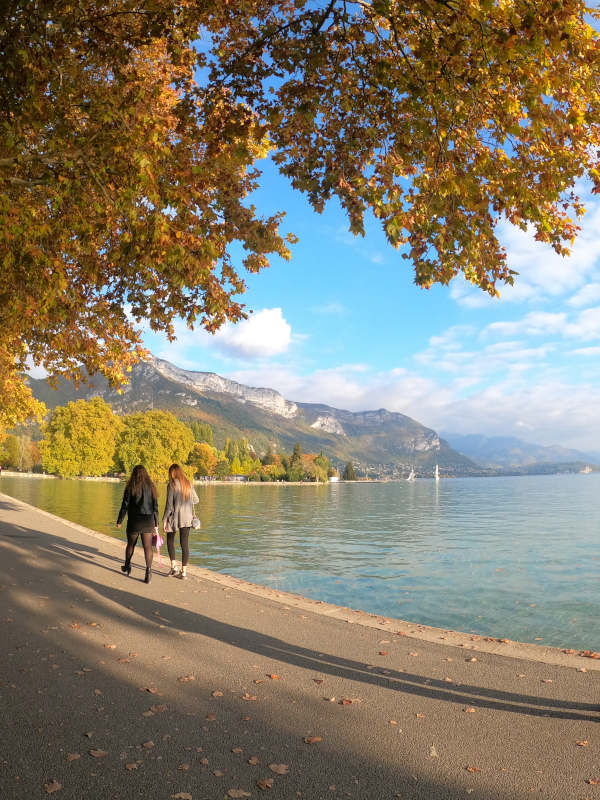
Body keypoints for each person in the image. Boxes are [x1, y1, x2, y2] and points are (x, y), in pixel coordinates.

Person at [116, 465, 159, 584]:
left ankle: (127, 565)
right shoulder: (152, 487)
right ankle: (148, 572)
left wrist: (120, 520)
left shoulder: (130, 487)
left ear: (134, 474)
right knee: (148, 547)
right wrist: (156, 523)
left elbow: (124, 505)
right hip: (148, 520)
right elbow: (155, 507)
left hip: (134, 521)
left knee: (131, 545)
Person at [162, 463, 199, 580]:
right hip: (187, 518)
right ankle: (184, 573)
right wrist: (186, 501)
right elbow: (196, 500)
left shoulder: (172, 485)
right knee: (185, 544)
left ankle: (174, 567)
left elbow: (169, 506)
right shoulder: (188, 484)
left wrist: (164, 520)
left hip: (174, 517)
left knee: (170, 540)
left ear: (172, 473)